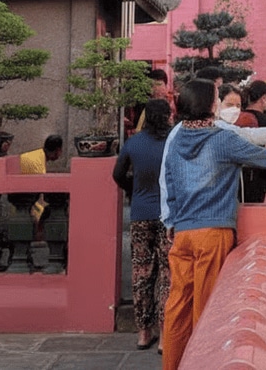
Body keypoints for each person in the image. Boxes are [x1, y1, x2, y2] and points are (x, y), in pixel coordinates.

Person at [161, 79, 266, 370]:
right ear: (211, 106)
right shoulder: (221, 139)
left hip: (182, 233)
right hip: (212, 232)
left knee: (177, 308)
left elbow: (171, 186)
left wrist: (173, 221)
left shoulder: (176, 139)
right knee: (206, 309)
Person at [112, 99, 173, 352]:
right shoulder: (173, 142)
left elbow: (117, 174)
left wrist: (134, 191)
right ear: (167, 116)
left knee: (142, 273)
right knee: (167, 274)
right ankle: (165, 331)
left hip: (140, 214)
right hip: (168, 216)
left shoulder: (134, 142)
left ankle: (143, 333)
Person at [220, 84, 266, 202]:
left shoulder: (243, 129)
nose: (234, 110)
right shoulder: (212, 130)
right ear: (217, 104)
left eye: (238, 106)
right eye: (229, 105)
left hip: (246, 189)